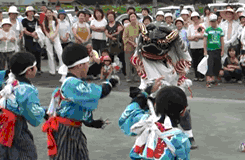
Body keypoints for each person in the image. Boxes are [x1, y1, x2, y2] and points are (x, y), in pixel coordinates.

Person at [42, 43, 120, 159]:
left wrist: (92, 122)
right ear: (80, 65)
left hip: (73, 130)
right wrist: (110, 83)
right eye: (87, 63)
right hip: (67, 132)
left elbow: (80, 105)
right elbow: (98, 93)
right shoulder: (71, 84)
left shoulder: (73, 83)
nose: (88, 66)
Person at [118, 84, 191, 160]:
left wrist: (145, 93)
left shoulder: (145, 122)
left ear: (155, 104)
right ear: (183, 111)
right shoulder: (181, 139)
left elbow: (129, 113)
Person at [0, 51, 46, 159]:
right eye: (35, 66)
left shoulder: (9, 80)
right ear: (29, 70)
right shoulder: (26, 90)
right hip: (17, 130)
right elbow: (34, 118)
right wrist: (43, 111)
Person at [204, 14, 224, 88]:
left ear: (216, 21)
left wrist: (222, 50)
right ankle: (208, 81)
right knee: (210, 64)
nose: (212, 23)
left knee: (217, 64)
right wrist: (205, 51)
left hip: (218, 49)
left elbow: (222, 40)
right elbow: (205, 41)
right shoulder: (207, 30)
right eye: (211, 21)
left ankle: (215, 80)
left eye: (214, 21)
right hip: (210, 50)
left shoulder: (220, 30)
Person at [22, 6, 43, 75]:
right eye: (29, 11)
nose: (31, 13)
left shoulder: (36, 20)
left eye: (32, 11)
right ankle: (31, 69)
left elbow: (39, 28)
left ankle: (38, 68)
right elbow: (24, 30)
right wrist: (31, 34)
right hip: (28, 40)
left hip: (36, 39)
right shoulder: (24, 20)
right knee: (30, 55)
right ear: (27, 13)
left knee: (38, 53)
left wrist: (36, 34)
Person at [43, 8, 64, 76]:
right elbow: (45, 31)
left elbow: (57, 30)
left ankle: (61, 69)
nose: (48, 14)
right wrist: (50, 37)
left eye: (50, 12)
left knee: (60, 52)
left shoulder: (56, 21)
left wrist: (53, 37)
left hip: (56, 37)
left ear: (52, 13)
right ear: (45, 14)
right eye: (47, 13)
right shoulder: (44, 22)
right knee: (50, 54)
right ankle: (52, 70)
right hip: (48, 37)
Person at [122, 12, 141, 82]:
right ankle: (129, 77)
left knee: (137, 62)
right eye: (131, 17)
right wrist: (132, 43)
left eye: (134, 17)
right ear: (129, 19)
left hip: (138, 47)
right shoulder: (127, 27)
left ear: (136, 17)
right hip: (128, 47)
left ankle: (137, 76)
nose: (133, 18)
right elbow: (124, 38)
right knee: (128, 62)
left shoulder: (139, 26)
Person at [187, 11, 205, 82]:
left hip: (201, 46)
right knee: (195, 61)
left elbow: (204, 35)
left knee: (201, 61)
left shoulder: (202, 25)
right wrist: (194, 38)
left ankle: (202, 76)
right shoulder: (190, 26)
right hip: (193, 46)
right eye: (193, 18)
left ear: (198, 18)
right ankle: (196, 76)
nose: (195, 19)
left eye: (196, 18)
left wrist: (197, 37)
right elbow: (188, 37)